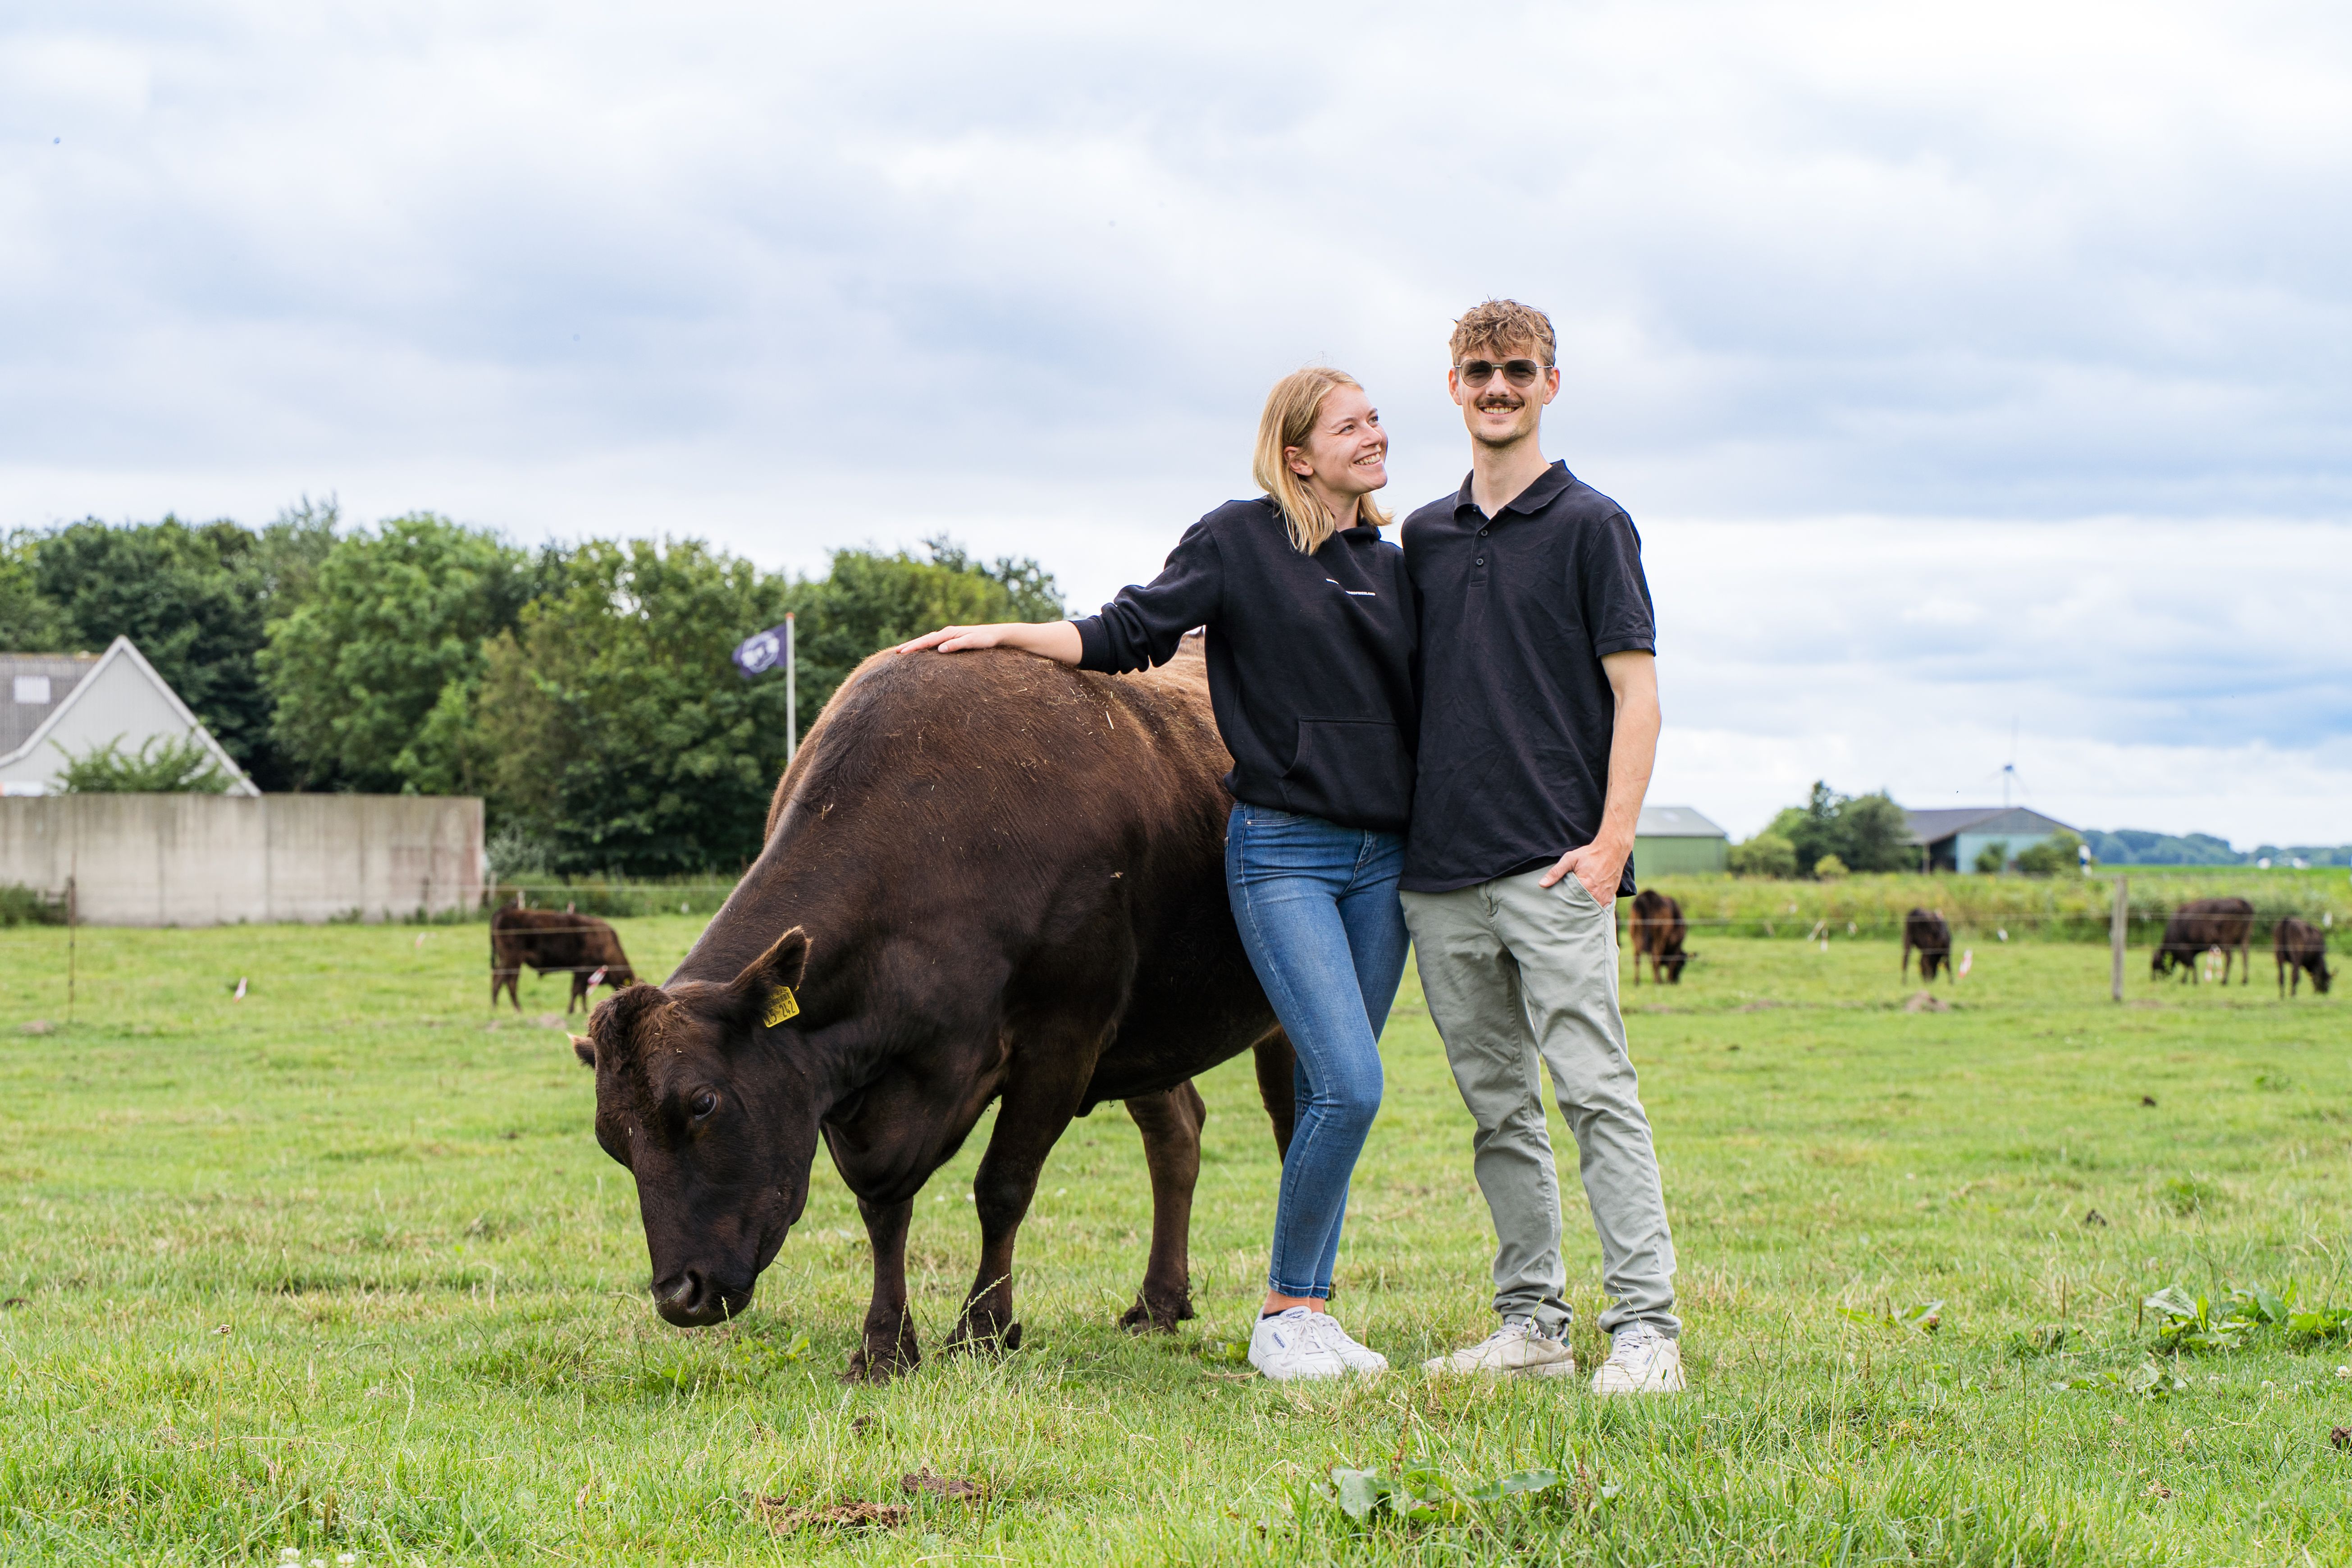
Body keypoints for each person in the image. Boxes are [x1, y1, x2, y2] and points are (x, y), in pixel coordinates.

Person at [896, 367, 1416, 1382]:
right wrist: (1008, 634)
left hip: (1382, 862)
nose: (1376, 433)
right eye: (1350, 424)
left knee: (1328, 1087)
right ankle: (1286, 1315)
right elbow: (1126, 633)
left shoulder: (1398, 568)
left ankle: (1311, 1305)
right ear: (1297, 451)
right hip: (1286, 850)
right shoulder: (1236, 538)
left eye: (1378, 419)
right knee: (1352, 1086)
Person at [1400, 299, 1685, 1394]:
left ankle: (1646, 1331)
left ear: (1551, 384)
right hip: (1442, 876)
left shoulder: (1593, 525)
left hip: (1556, 864)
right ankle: (1531, 1325)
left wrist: (1613, 847)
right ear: (1455, 386)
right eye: (1479, 372)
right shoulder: (1423, 535)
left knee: (1595, 1093)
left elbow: (1638, 695)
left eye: (1518, 370)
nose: (1498, 389)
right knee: (1497, 1110)